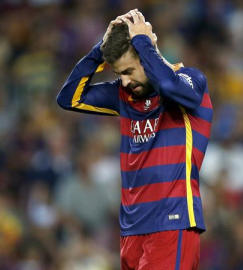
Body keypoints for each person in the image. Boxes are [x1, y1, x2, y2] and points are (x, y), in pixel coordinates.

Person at [56, 9, 212, 270]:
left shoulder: (191, 81)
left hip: (172, 222)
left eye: (129, 70)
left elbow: (170, 86)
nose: (125, 81)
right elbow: (69, 98)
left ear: (147, 56)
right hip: (131, 229)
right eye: (119, 73)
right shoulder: (124, 95)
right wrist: (99, 50)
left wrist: (143, 42)